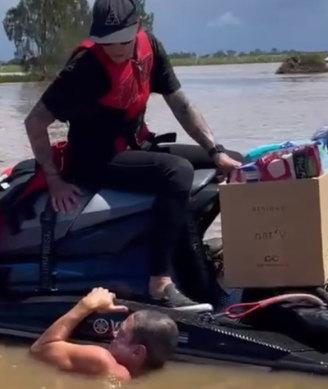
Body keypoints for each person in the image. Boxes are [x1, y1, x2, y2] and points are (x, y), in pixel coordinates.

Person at [23, 0, 243, 311]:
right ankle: (160, 282)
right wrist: (55, 180)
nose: (114, 49)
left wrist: (215, 151)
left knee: (235, 159)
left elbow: (180, 104)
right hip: (92, 161)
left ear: (138, 28)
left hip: (134, 146)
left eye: (122, 41)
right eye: (107, 41)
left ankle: (225, 262)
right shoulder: (86, 66)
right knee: (176, 172)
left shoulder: (150, 47)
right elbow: (35, 121)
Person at [29, 287, 179, 382]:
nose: (112, 333)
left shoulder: (102, 361)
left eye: (121, 334)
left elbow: (39, 349)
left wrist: (86, 306)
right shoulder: (141, 377)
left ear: (137, 352)